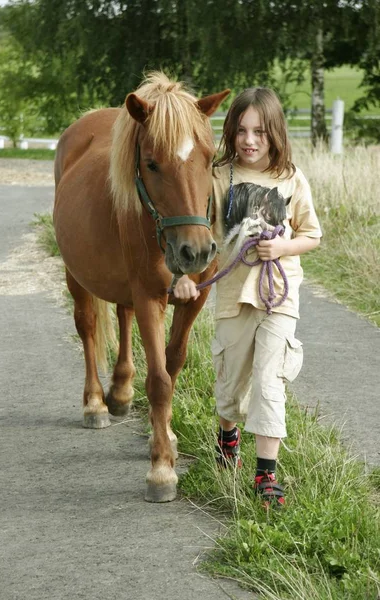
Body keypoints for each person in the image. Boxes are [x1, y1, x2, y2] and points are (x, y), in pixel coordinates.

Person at [174, 87, 322, 508]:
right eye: (241, 130)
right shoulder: (219, 176)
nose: (250, 140)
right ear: (231, 132)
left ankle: (265, 475)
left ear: (275, 132)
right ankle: (227, 434)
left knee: (268, 381)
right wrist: (183, 276)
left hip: (279, 298)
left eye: (259, 131)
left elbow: (312, 235)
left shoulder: (291, 178)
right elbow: (198, 234)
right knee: (231, 384)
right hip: (232, 297)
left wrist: (282, 248)